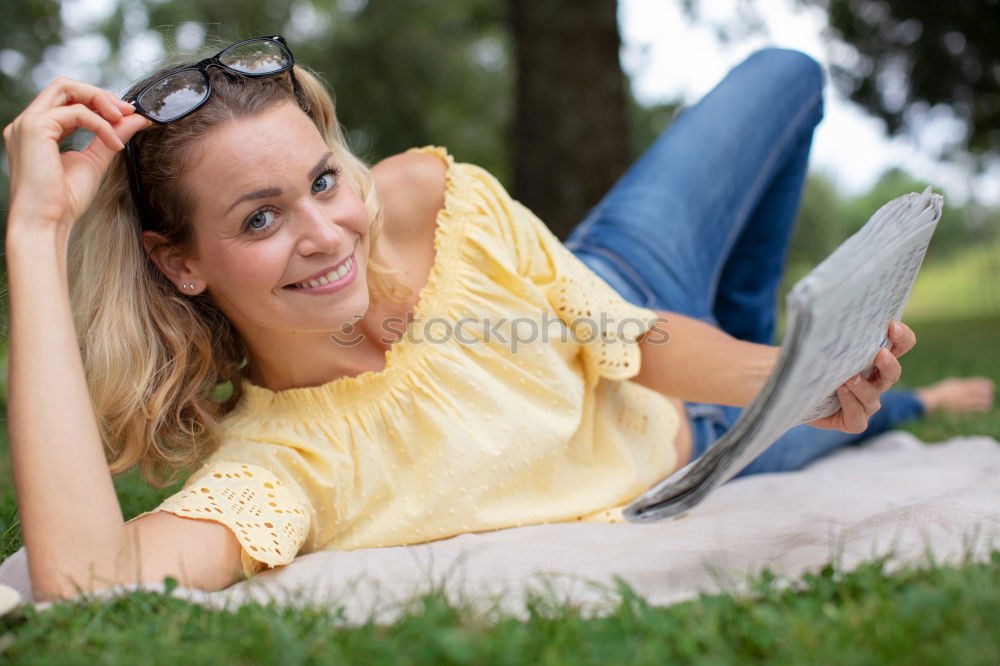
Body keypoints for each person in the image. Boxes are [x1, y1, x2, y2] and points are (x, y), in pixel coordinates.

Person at [2, 35, 992, 603]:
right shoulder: (277, 473)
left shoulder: (423, 198)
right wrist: (35, 236)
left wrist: (783, 367)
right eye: (259, 218)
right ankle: (900, 392)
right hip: (683, 443)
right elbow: (87, 583)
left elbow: (631, 340)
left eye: (320, 181)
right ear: (178, 261)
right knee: (849, 423)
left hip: (612, 296)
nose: (325, 233)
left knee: (786, 77)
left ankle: (760, 330)